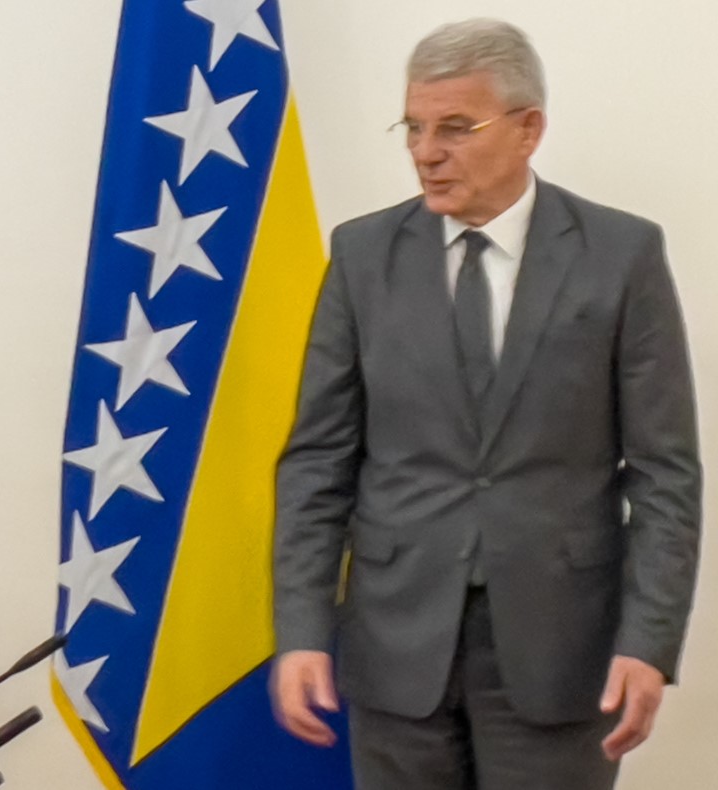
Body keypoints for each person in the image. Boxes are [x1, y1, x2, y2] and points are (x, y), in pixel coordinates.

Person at [271, 18, 700, 790]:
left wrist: (649, 641)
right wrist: (300, 630)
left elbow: (666, 475)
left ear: (529, 128)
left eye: (455, 128)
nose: (425, 152)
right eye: (415, 127)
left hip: (562, 652)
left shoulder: (621, 255)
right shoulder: (363, 256)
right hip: (396, 644)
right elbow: (318, 461)